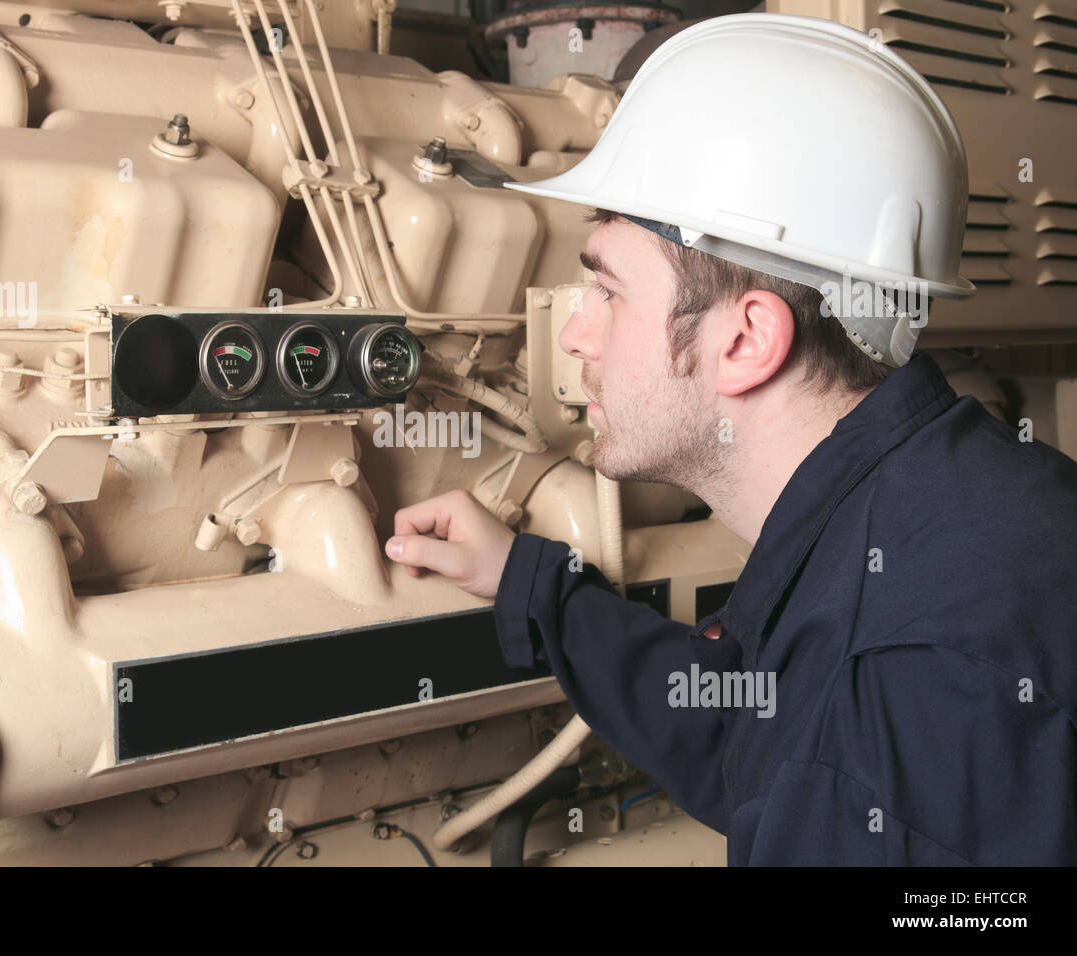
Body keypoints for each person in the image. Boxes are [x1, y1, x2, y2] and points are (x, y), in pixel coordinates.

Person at [383, 13, 1077, 865]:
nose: (574, 336)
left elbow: (827, 754)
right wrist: (530, 585)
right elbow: (751, 732)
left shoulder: (881, 712)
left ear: (745, 341)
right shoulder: (972, 500)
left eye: (606, 290)